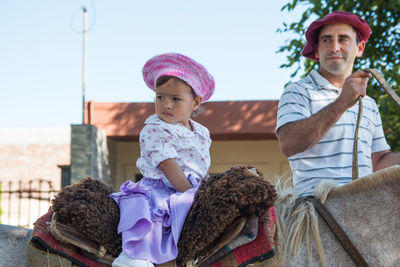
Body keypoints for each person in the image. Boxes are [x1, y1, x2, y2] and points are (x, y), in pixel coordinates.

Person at [276, 11, 400, 197]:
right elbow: (288, 144)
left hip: (363, 207)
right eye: (326, 40)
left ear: (359, 48)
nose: (334, 47)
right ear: (316, 50)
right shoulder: (297, 91)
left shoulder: (369, 104)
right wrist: (342, 102)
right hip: (315, 210)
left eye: (343, 39)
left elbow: (378, 161)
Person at [110, 53, 215, 267]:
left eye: (175, 99)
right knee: (155, 221)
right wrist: (191, 193)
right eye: (160, 97)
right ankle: (133, 258)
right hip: (162, 188)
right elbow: (168, 166)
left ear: (195, 102)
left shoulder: (201, 132)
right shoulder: (155, 129)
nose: (166, 105)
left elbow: (199, 167)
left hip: (187, 187)